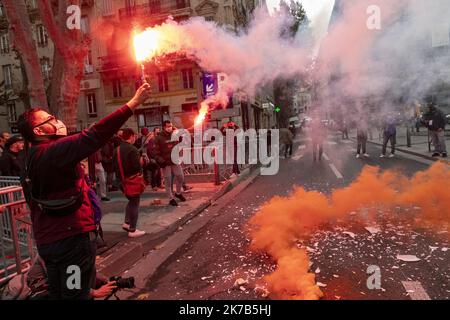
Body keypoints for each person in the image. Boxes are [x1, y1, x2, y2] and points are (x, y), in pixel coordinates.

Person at [16, 83, 151, 300]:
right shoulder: (52, 152)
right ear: (38, 131)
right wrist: (133, 103)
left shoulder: (29, 159)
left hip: (50, 241)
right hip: (70, 243)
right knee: (75, 294)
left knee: (62, 293)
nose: (55, 121)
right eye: (49, 119)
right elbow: (94, 135)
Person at [0, 255, 117, 300]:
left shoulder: (75, 247)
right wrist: (93, 293)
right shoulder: (51, 251)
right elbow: (63, 280)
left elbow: (86, 270)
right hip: (34, 292)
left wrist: (107, 281)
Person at [113, 128, 146, 238]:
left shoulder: (116, 150)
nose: (135, 138)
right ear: (131, 136)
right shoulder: (132, 149)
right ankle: (132, 229)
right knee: (135, 203)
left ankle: (126, 223)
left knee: (131, 201)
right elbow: (137, 167)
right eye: (134, 136)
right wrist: (142, 162)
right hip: (131, 180)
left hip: (121, 181)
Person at [154, 120, 185, 206]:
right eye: (168, 126)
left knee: (180, 177)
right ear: (164, 127)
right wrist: (161, 161)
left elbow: (181, 141)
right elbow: (155, 152)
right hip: (165, 162)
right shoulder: (159, 138)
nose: (170, 128)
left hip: (175, 160)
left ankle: (178, 193)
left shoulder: (174, 134)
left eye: (171, 126)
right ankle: (171, 198)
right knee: (168, 180)